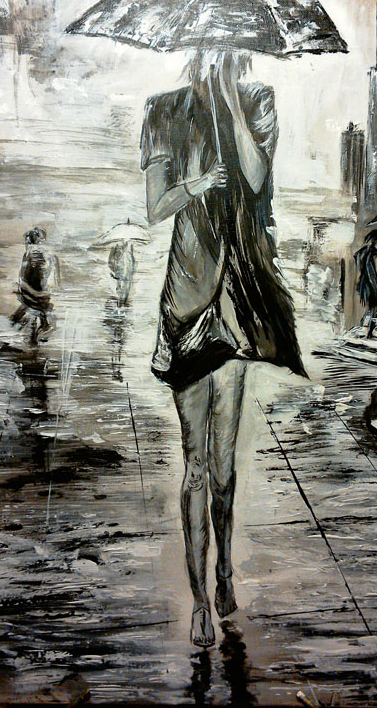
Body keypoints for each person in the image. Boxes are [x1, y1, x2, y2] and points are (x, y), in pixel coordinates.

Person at [140, 50, 306, 648]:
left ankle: (227, 567)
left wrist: (231, 99)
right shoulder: (164, 111)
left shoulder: (256, 102)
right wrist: (195, 184)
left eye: (230, 51)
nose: (221, 56)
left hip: (234, 304)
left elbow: (257, 179)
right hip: (187, 303)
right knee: (194, 466)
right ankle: (199, 603)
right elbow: (154, 208)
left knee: (224, 467)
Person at [10, 227, 60, 341]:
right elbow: (51, 276)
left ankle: (21, 323)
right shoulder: (48, 255)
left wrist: (21, 286)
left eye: (26, 241)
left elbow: (24, 275)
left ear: (29, 241)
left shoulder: (29, 254)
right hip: (42, 292)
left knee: (30, 306)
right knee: (38, 308)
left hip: (32, 292)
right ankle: (40, 327)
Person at [108, 240, 135, 306]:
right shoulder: (123, 252)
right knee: (123, 287)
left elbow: (131, 261)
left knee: (124, 287)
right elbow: (111, 260)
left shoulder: (127, 252)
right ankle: (121, 302)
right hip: (123, 272)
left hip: (125, 272)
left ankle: (122, 302)